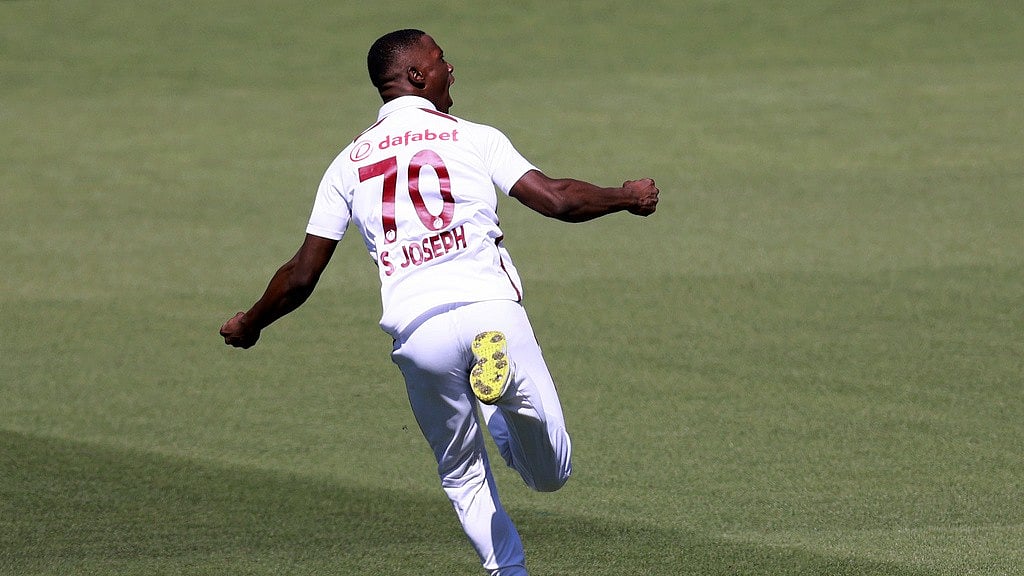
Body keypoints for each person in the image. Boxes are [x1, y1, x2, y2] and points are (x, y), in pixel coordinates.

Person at [220, 29, 659, 576]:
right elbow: (556, 200)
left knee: (461, 472)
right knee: (552, 473)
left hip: (418, 333)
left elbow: (300, 276)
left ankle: (508, 570)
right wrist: (627, 196)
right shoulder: (472, 136)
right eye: (443, 61)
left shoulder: (346, 164)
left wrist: (251, 324)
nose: (453, 69)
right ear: (419, 76)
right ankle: (504, 397)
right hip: (488, 309)